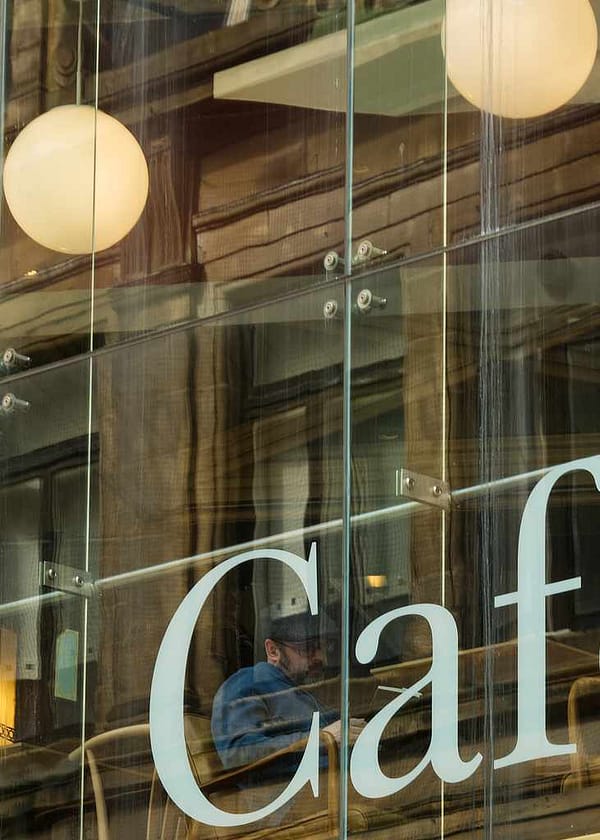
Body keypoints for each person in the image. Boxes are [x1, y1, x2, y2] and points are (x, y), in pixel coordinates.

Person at [211, 611, 364, 779]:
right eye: (308, 649)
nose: (320, 657)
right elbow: (238, 754)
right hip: (299, 797)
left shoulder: (298, 692)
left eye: (323, 647)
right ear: (273, 651)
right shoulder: (249, 682)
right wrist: (322, 739)